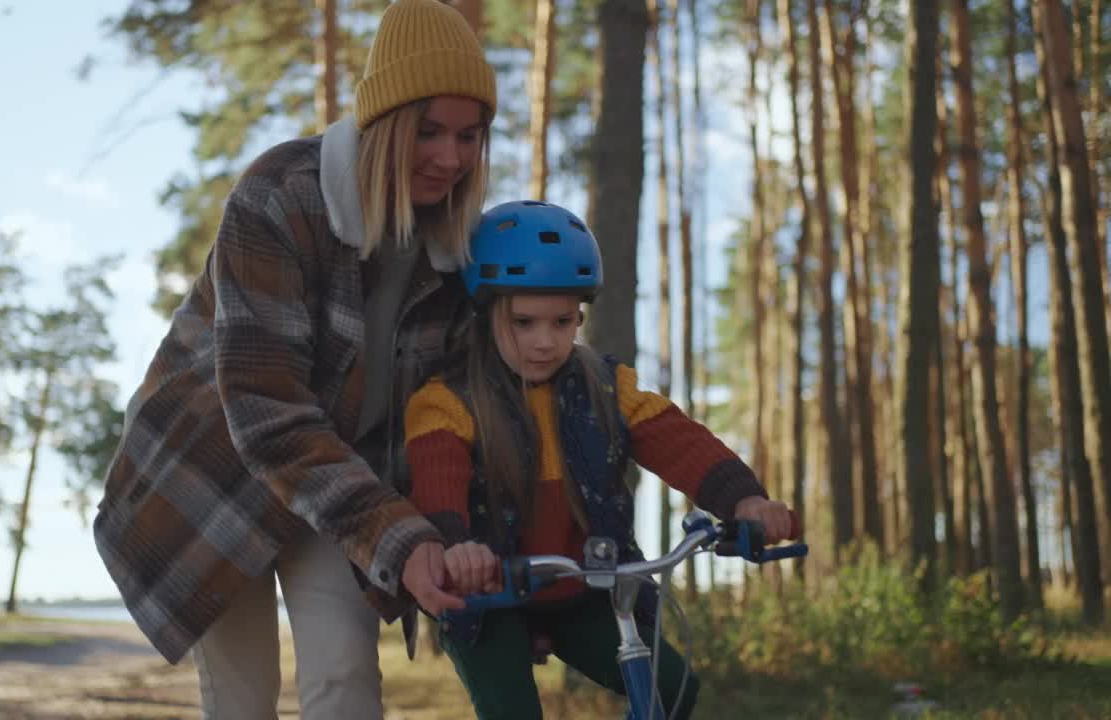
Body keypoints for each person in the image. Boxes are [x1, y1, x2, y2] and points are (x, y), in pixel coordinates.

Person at [91, 1, 497, 717]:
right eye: (429, 130)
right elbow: (265, 406)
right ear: (384, 122)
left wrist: (468, 545)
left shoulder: (458, 257)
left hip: (338, 487)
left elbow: (452, 421)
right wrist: (398, 535)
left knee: (345, 678)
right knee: (241, 696)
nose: (450, 158)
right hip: (215, 471)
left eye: (469, 135)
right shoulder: (280, 197)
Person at [403, 200, 796, 720]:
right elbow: (437, 480)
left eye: (563, 321)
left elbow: (679, 442)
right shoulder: (447, 401)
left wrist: (744, 499)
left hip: (584, 588)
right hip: (490, 595)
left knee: (669, 689)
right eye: (524, 322)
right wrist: (453, 547)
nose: (546, 341)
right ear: (486, 313)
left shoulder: (606, 387)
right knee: (511, 710)